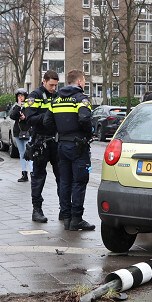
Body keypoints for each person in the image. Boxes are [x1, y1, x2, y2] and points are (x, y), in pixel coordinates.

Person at [51, 69, 96, 231]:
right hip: (78, 146)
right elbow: (84, 118)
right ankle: (77, 218)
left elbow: (48, 121)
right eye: (83, 81)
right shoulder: (81, 99)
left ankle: (67, 218)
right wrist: (88, 132)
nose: (84, 84)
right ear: (79, 82)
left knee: (65, 182)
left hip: (62, 145)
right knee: (79, 181)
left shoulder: (56, 100)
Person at [23, 71, 60, 223]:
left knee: (62, 176)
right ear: (44, 81)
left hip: (56, 141)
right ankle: (36, 210)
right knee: (38, 176)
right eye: (51, 84)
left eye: (55, 85)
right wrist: (47, 117)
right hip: (40, 141)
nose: (53, 88)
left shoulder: (57, 96)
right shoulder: (34, 96)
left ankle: (64, 209)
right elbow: (30, 118)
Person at [7, 88, 30, 183]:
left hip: (28, 131)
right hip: (18, 132)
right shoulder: (16, 106)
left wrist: (25, 117)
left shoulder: (29, 105)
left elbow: (32, 116)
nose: (20, 98)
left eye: (22, 96)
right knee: (22, 153)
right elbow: (12, 116)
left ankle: (32, 172)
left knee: (29, 152)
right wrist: (18, 106)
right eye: (18, 96)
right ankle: (24, 173)